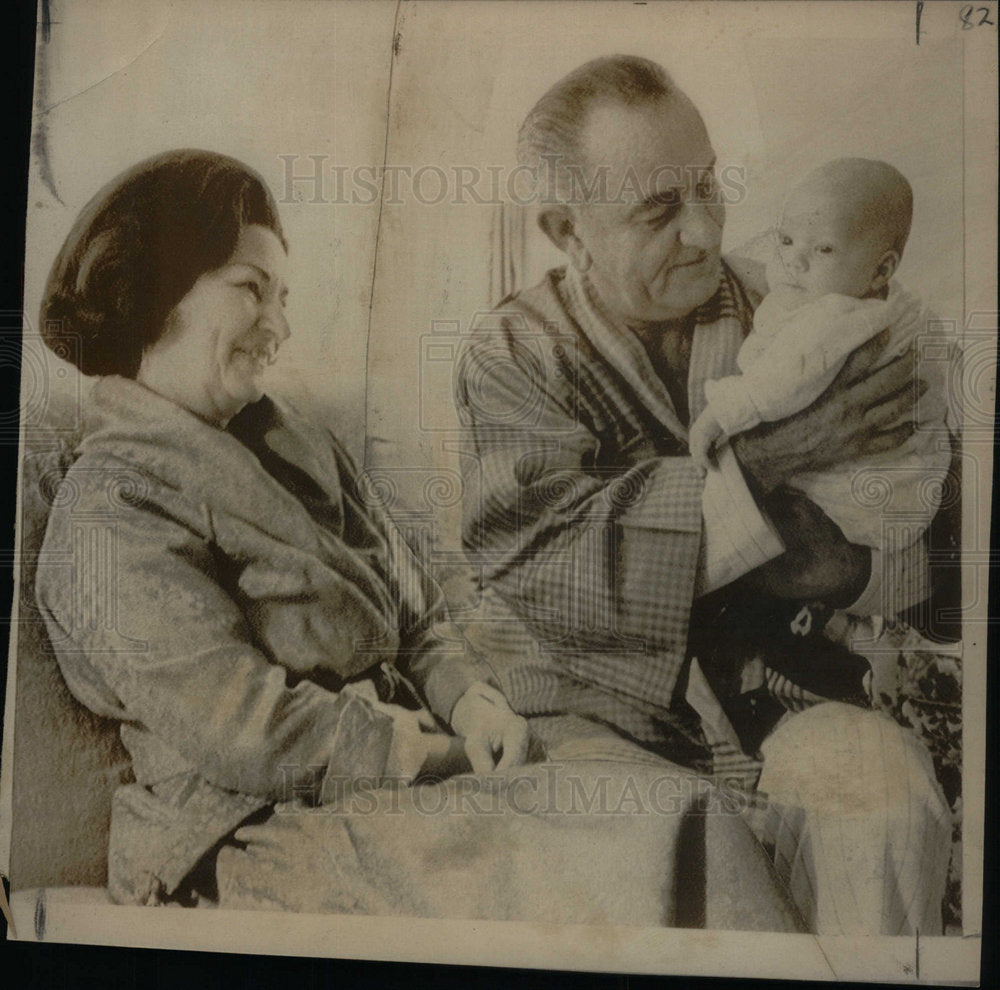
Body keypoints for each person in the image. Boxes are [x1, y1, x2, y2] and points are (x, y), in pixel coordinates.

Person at [34, 149, 803, 929]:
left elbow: (418, 617)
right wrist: (437, 754)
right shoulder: (111, 509)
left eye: (284, 297)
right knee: (651, 832)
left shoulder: (295, 441)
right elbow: (247, 732)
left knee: (681, 799)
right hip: (256, 836)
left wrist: (473, 705)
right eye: (250, 291)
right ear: (151, 291)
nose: (281, 327)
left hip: (405, 778)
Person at [456, 56, 953, 934]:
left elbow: (933, 527)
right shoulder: (511, 356)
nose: (704, 230)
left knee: (885, 811)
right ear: (567, 229)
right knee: (659, 857)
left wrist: (847, 573)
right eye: (658, 210)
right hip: (592, 717)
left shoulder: (799, 304)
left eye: (708, 187)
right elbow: (553, 563)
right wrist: (766, 466)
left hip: (790, 695)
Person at [689, 158, 951, 566]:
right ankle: (849, 620)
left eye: (824, 249)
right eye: (787, 240)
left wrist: (719, 415)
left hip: (863, 491)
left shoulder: (833, 316)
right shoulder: (889, 302)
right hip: (908, 485)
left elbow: (781, 384)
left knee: (774, 550)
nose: (795, 261)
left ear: (881, 269)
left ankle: (842, 618)